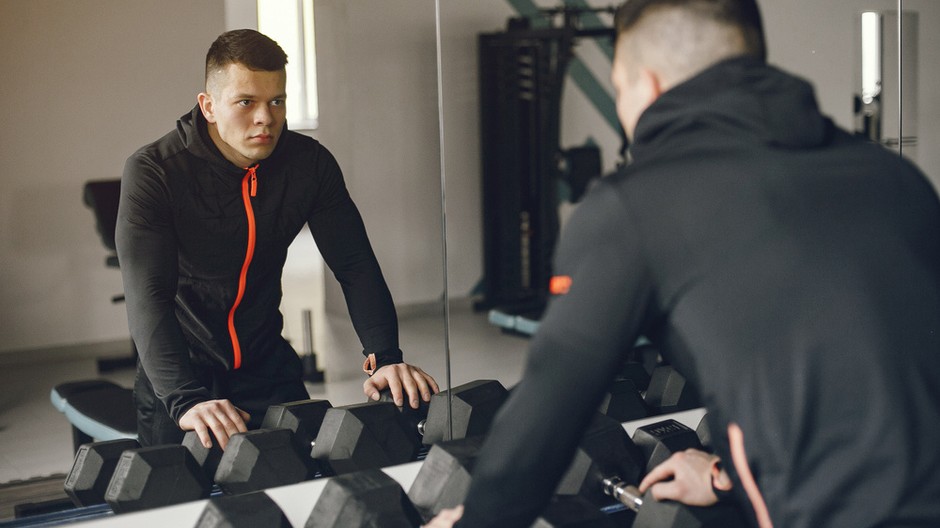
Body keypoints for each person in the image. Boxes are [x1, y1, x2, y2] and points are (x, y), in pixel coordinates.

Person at [426, 0, 940, 526]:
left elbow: (547, 416)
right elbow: (862, 386)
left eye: (620, 89)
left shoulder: (633, 207)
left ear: (645, 86)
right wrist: (728, 476)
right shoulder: (895, 180)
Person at [116, 29, 438, 451]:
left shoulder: (309, 164)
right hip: (183, 376)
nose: (265, 118)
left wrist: (386, 355)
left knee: (309, 480)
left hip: (267, 363)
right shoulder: (156, 171)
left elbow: (354, 264)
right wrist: (184, 398)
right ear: (209, 106)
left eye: (277, 101)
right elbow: (149, 295)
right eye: (246, 102)